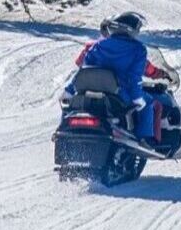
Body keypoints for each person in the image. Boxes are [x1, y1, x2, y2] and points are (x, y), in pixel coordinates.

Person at [67, 12, 156, 140]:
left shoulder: (98, 45)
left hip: (91, 91)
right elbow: (134, 76)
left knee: (71, 107)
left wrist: (69, 90)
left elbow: (83, 70)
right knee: (148, 103)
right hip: (120, 93)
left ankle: (64, 131)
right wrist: (137, 97)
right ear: (132, 30)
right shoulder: (138, 49)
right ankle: (145, 140)